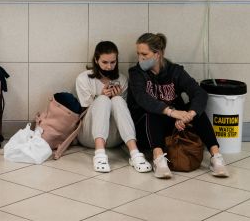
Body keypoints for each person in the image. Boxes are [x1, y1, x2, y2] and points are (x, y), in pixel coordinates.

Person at [127, 32, 228, 179]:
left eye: (144, 54)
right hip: (146, 127)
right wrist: (171, 112)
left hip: (175, 122)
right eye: (138, 54)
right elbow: (143, 99)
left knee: (197, 111)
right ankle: (158, 159)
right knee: (153, 111)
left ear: (158, 54)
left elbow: (199, 93)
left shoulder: (174, 71)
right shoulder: (136, 73)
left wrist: (189, 115)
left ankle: (216, 156)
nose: (140, 58)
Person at [75, 41, 152, 173]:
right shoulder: (84, 78)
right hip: (89, 136)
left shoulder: (122, 79)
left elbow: (124, 115)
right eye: (104, 62)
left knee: (117, 100)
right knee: (103, 99)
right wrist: (100, 96)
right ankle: (99, 154)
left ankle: (134, 153)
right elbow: (85, 111)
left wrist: (119, 97)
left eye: (113, 62)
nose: (109, 66)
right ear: (96, 60)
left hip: (115, 138)